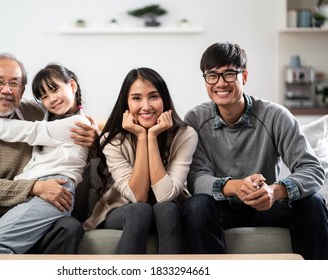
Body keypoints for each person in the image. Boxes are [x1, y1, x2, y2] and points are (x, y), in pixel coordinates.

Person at [182, 42, 328, 260]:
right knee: (196, 206)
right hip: (222, 206)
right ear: (205, 80)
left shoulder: (275, 116)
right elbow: (195, 178)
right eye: (212, 75)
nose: (220, 83)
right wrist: (236, 186)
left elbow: (312, 169)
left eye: (229, 74)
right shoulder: (195, 119)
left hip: (267, 205)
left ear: (245, 76)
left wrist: (276, 191)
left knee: (313, 203)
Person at [0, 53, 99, 254]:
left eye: (14, 83)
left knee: (69, 226)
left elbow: (35, 130)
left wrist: (95, 139)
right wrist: (34, 187)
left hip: (47, 195)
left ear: (22, 90)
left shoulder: (36, 112)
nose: (6, 90)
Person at [83, 67, 198, 254]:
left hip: (170, 211)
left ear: (164, 100)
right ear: (126, 103)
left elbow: (165, 195)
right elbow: (138, 197)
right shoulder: (113, 140)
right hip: (124, 209)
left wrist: (151, 137)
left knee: (166, 209)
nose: (146, 106)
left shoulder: (185, 135)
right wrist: (142, 137)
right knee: (140, 210)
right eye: (136, 98)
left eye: (153, 96)